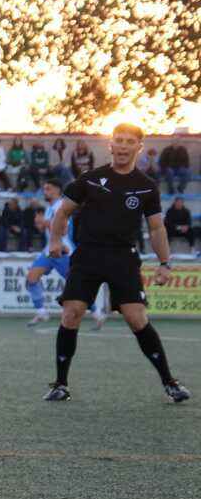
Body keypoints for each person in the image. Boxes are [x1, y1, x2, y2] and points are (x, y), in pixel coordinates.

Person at [44, 123, 190, 403]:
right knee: (72, 311)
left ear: (139, 147)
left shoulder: (146, 187)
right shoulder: (90, 179)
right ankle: (60, 384)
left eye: (129, 141)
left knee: (136, 318)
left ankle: (170, 383)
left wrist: (164, 263)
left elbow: (157, 229)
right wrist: (55, 241)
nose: (122, 146)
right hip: (87, 255)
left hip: (123, 256)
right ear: (110, 145)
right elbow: (63, 213)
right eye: (118, 141)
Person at [25, 180, 106, 328]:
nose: (45, 192)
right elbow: (47, 230)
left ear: (57, 190)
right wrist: (40, 224)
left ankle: (97, 313)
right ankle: (42, 312)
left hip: (64, 251)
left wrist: (44, 222)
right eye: (44, 189)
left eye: (47, 189)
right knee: (31, 277)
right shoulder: (50, 208)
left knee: (77, 287)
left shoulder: (63, 206)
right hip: (50, 251)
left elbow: (62, 230)